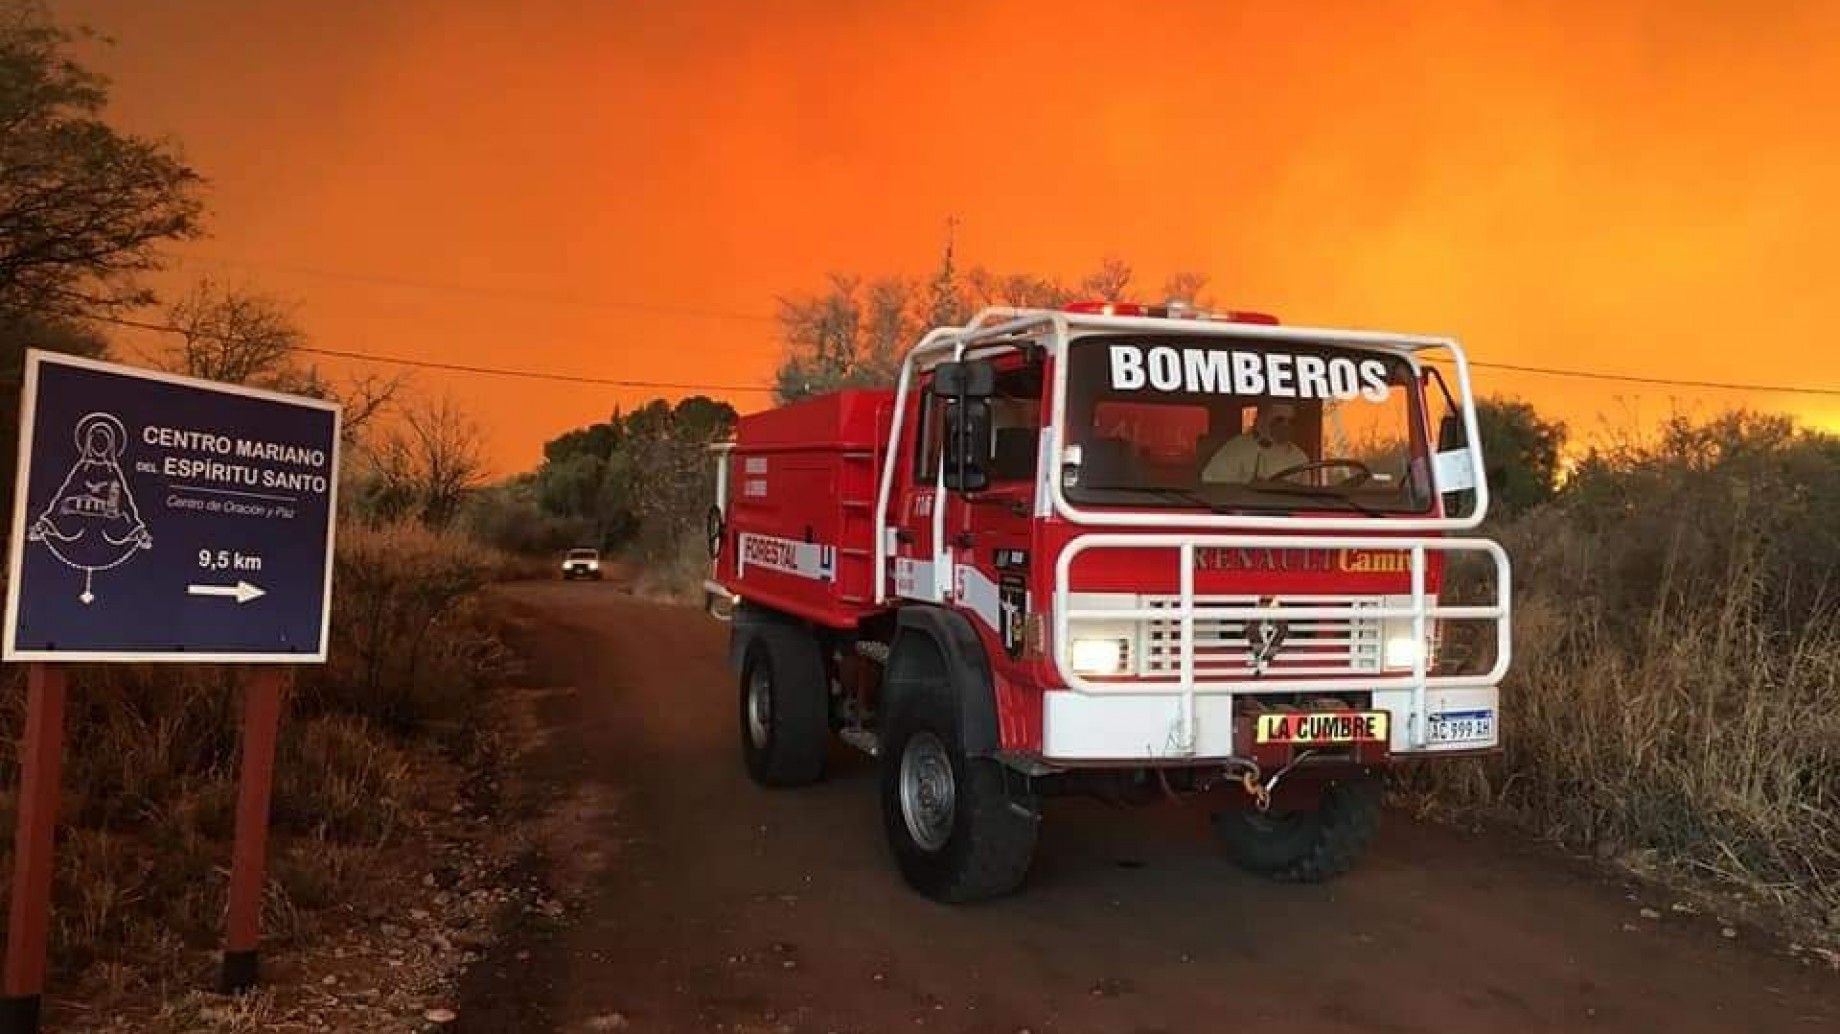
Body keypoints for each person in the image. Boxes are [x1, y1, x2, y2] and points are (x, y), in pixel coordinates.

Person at [1201, 402, 1310, 483]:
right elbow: (1211, 484)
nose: (1286, 425)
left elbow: (1305, 497)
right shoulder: (1237, 448)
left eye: (1291, 421)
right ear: (1263, 419)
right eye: (1279, 420)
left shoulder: (1300, 457)